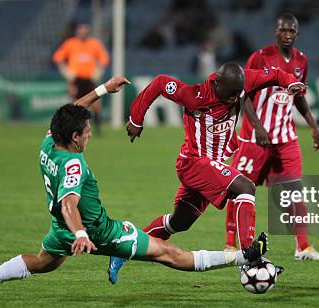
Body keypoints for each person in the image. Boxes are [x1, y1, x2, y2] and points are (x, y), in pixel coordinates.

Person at [0, 76, 269, 294]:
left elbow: (71, 112)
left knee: (44, 262)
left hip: (60, 229)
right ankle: (244, 258)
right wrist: (83, 234)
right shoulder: (73, 164)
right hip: (100, 231)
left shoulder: (49, 142)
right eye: (86, 132)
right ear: (75, 137)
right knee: (170, 254)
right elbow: (69, 203)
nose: (89, 134)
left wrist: (103, 89)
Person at [107, 62, 306, 284]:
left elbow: (276, 75)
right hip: (194, 163)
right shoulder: (196, 96)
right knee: (245, 187)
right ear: (217, 83)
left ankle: (123, 249)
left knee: (179, 222)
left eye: (237, 95)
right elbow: (160, 83)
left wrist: (292, 82)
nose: (234, 99)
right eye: (230, 94)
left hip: (209, 167)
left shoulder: (244, 80)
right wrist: (136, 118)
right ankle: (249, 256)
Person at [222, 14, 319, 261]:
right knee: (239, 189)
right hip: (254, 139)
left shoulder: (301, 60)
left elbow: (299, 96)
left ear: (297, 33)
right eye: (283, 30)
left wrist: (314, 126)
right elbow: (244, 93)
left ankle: (303, 247)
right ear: (276, 32)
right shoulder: (259, 57)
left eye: (292, 30)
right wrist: (258, 126)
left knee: (294, 191)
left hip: (286, 138)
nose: (288, 34)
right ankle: (230, 245)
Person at [53, 22, 110, 136]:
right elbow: (58, 57)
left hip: (90, 79)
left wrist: (99, 71)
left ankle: (98, 130)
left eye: (85, 31)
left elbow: (104, 59)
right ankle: (74, 131)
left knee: (96, 105)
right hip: (76, 79)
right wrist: (65, 71)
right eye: (81, 30)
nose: (83, 33)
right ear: (77, 32)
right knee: (76, 106)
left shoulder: (94, 44)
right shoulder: (70, 43)